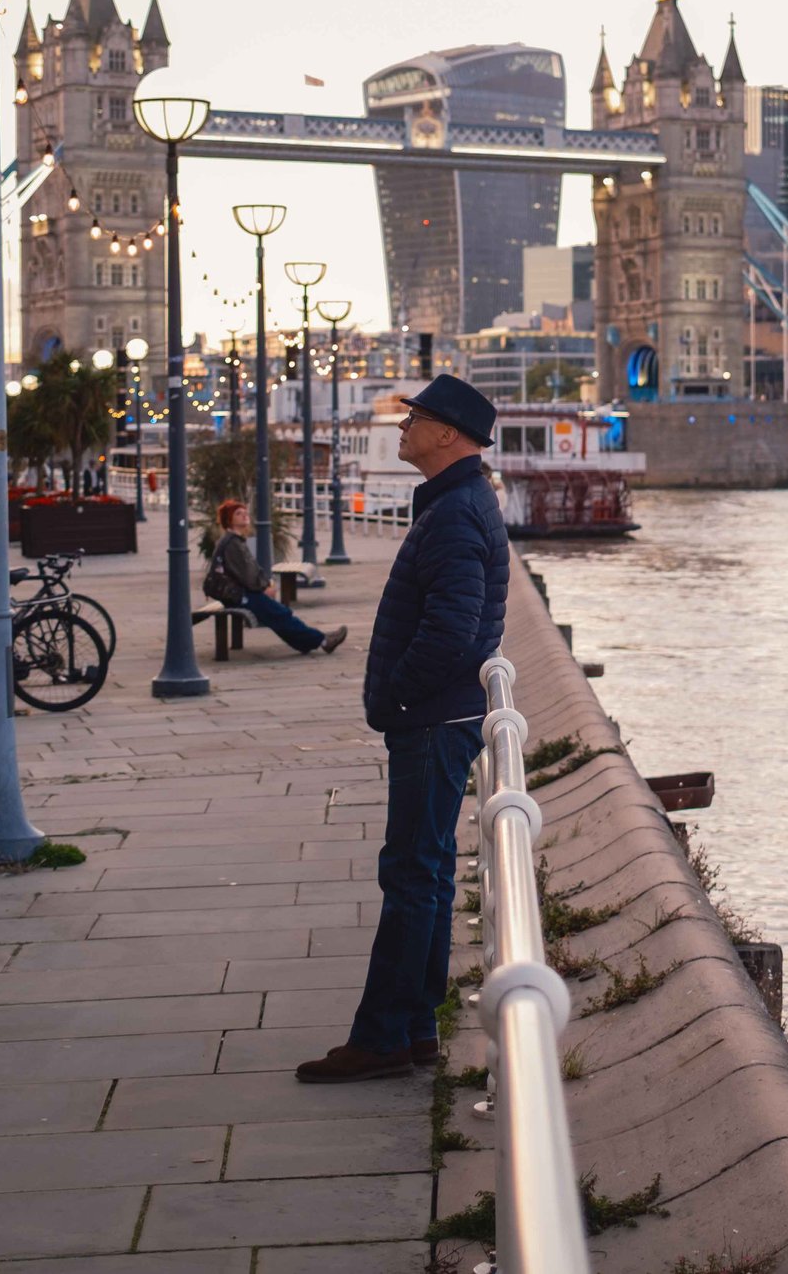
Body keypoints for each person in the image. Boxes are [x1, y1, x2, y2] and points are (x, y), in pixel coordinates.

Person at [298, 376, 507, 1084]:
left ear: (447, 434)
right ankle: (416, 1027)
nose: (402, 426)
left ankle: (384, 1036)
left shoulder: (452, 516)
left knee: (411, 873)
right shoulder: (459, 502)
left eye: (414, 418)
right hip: (443, 715)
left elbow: (450, 632)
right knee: (429, 869)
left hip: (433, 720)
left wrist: (398, 693)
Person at [206, 502, 348, 656]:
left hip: (240, 593)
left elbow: (249, 572)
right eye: (238, 513)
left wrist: (265, 585)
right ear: (229, 519)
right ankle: (322, 641)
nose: (245, 515)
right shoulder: (231, 543)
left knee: (279, 614)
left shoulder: (235, 540)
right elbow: (246, 575)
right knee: (279, 613)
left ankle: (310, 642)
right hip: (237, 595)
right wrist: (264, 588)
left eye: (245, 512)